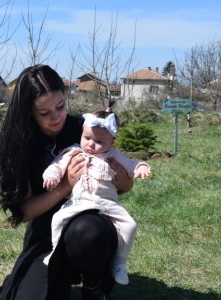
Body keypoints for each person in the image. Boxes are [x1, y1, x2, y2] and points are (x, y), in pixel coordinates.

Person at [0, 65, 134, 300]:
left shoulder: (84, 129)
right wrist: (65, 186)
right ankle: (58, 276)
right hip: (47, 232)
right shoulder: (19, 144)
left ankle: (93, 289)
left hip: (90, 224)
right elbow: (26, 212)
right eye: (44, 112)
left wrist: (124, 181)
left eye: (61, 106)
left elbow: (118, 183)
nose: (56, 117)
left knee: (86, 232)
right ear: (28, 113)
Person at [42, 110, 151, 285]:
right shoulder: (74, 152)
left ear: (112, 141)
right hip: (79, 201)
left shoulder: (113, 155)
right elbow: (57, 165)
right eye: (87, 138)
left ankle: (119, 263)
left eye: (99, 142)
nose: (91, 145)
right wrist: (52, 176)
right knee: (57, 218)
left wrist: (141, 167)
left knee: (130, 225)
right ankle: (55, 251)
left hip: (108, 203)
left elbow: (132, 165)